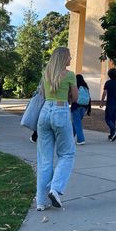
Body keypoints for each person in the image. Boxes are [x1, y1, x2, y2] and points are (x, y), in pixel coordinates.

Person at [36, 46, 78, 211]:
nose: (71, 59)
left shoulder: (46, 74)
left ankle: (41, 201)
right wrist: (67, 93)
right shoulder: (69, 75)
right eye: (69, 56)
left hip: (45, 111)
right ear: (63, 58)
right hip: (60, 111)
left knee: (45, 159)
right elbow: (75, 98)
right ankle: (55, 188)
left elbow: (44, 95)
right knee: (67, 153)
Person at [100, 68, 116, 141]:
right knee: (113, 119)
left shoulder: (108, 83)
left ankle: (114, 130)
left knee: (107, 119)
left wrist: (101, 101)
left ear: (109, 75)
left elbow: (104, 93)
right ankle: (112, 135)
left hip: (110, 103)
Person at [71, 74, 91, 145]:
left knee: (77, 123)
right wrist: (89, 110)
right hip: (84, 107)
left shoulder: (76, 86)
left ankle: (81, 139)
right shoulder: (86, 87)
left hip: (76, 106)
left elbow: (73, 97)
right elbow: (89, 98)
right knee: (75, 123)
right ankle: (70, 137)